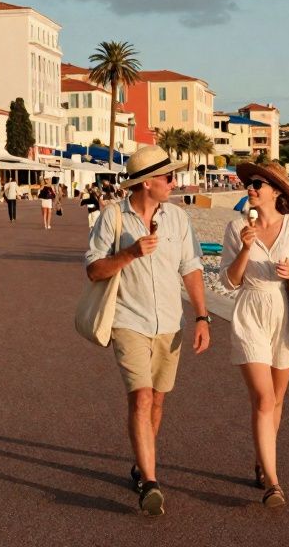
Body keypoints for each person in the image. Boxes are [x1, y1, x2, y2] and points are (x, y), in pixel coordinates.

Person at [84, 146, 210, 518]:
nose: (174, 182)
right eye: (168, 177)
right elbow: (94, 271)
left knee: (157, 400)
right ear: (147, 183)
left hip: (170, 323)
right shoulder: (112, 218)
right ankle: (152, 483)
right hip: (128, 321)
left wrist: (203, 317)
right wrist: (130, 254)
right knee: (140, 398)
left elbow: (191, 269)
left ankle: (142, 464)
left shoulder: (179, 219)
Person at [221, 161, 289, 508]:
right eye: (249, 183)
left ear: (277, 191)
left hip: (286, 313)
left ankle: (263, 461)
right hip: (250, 311)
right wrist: (246, 248)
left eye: (259, 183)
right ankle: (274, 484)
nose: (251, 187)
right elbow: (228, 281)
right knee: (264, 400)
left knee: (277, 401)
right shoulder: (236, 227)